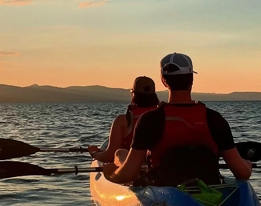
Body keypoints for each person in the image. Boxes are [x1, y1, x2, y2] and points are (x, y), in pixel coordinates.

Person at [103, 52, 252, 186]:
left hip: (165, 195)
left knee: (121, 155)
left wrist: (111, 174)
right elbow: (243, 173)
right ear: (192, 79)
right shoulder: (214, 119)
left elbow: (128, 174)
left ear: (163, 81)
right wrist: (247, 163)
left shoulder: (149, 120)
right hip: (208, 192)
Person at [88, 76, 159, 165]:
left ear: (133, 94)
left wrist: (95, 153)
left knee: (119, 153)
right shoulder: (163, 115)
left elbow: (109, 156)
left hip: (131, 168)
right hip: (157, 165)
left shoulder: (122, 121)